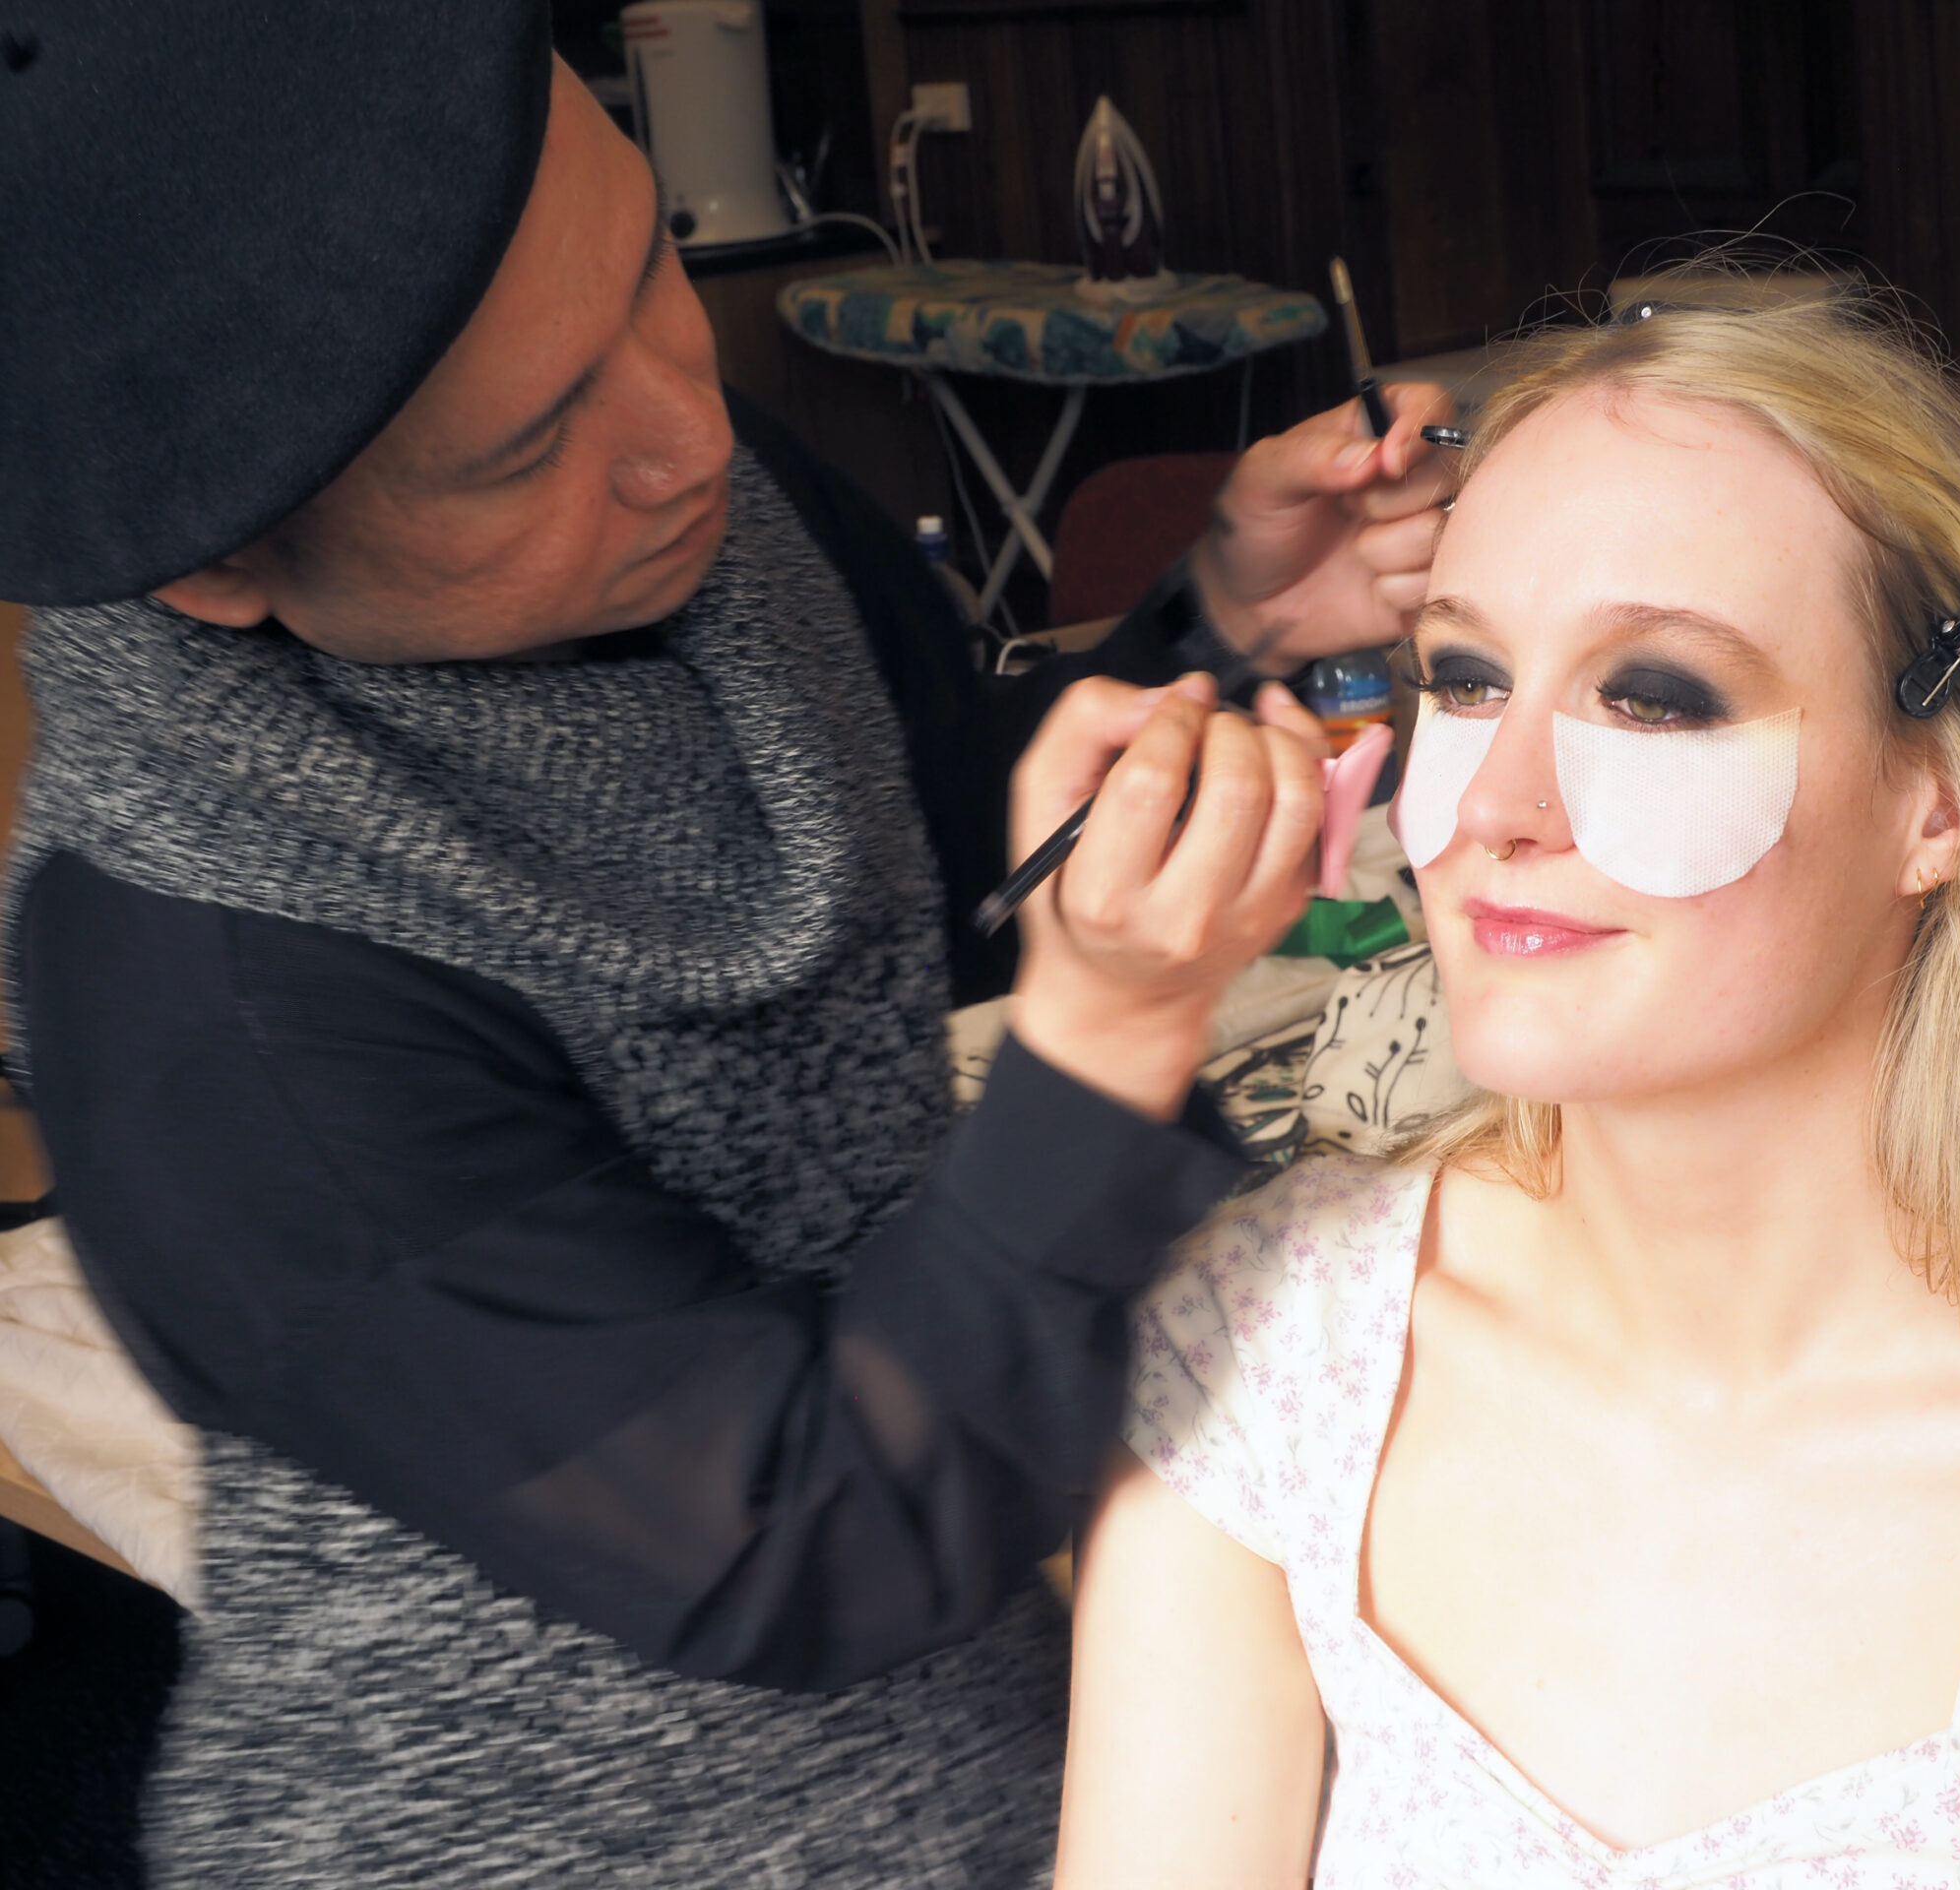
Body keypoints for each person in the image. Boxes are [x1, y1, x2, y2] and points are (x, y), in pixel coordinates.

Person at [0, 7, 1448, 1885]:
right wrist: (1106, 1043)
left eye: (648, 273)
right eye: (531, 444)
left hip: (999, 1716)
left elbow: (920, 846)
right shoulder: (205, 1003)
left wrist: (1220, 628)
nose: (686, 437)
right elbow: (799, 1542)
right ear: (222, 571)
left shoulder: (681, 492)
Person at [1059, 280, 1960, 1888]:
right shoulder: (1266, 1344)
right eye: (1463, 677)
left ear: (1948, 796)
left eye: (1654, 696)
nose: (1496, 804)